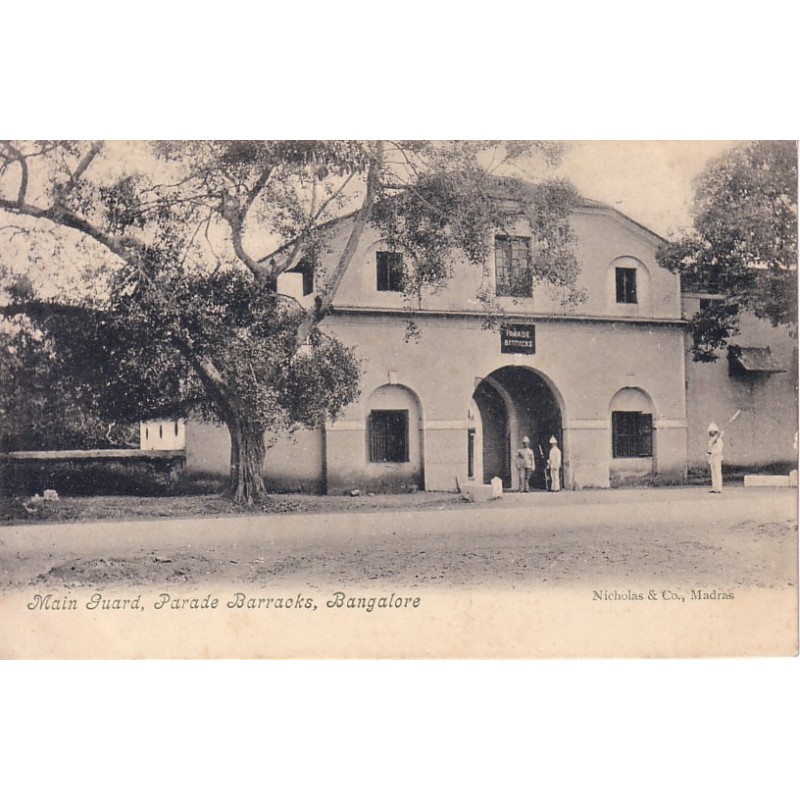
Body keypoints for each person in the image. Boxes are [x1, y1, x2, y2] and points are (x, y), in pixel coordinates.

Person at [706, 423, 724, 493]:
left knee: (717, 473)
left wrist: (712, 452)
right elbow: (709, 449)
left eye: (712, 431)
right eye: (710, 431)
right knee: (713, 473)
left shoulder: (719, 440)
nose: (710, 432)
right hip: (712, 458)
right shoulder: (711, 441)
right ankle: (714, 487)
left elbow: (719, 450)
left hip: (717, 458)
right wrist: (708, 453)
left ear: (715, 431)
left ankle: (719, 488)